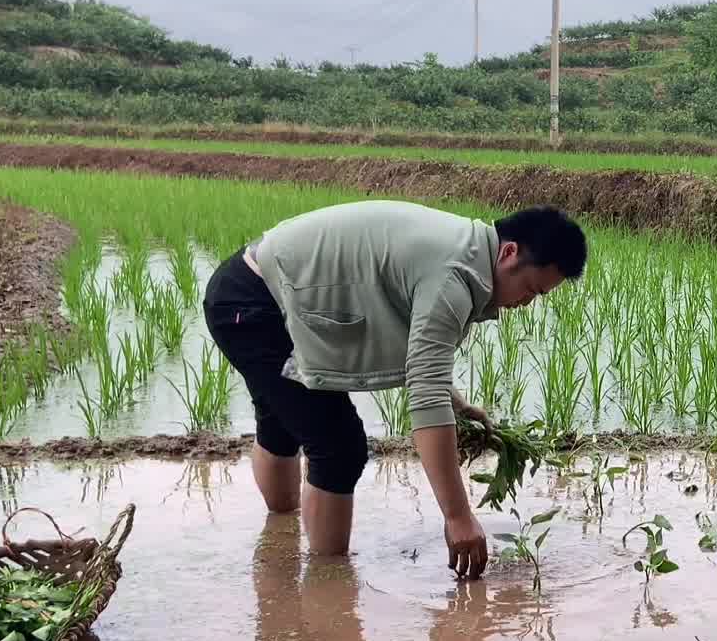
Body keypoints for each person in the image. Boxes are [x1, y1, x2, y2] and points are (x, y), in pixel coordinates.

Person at [202, 200, 586, 575]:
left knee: (286, 421)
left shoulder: (464, 249)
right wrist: (458, 517)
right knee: (338, 448)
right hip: (252, 305)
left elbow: (424, 361)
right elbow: (425, 393)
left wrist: (457, 404)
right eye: (531, 289)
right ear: (509, 252)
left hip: (258, 286)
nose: (525, 303)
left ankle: (279, 540)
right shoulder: (454, 275)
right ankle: (327, 586)